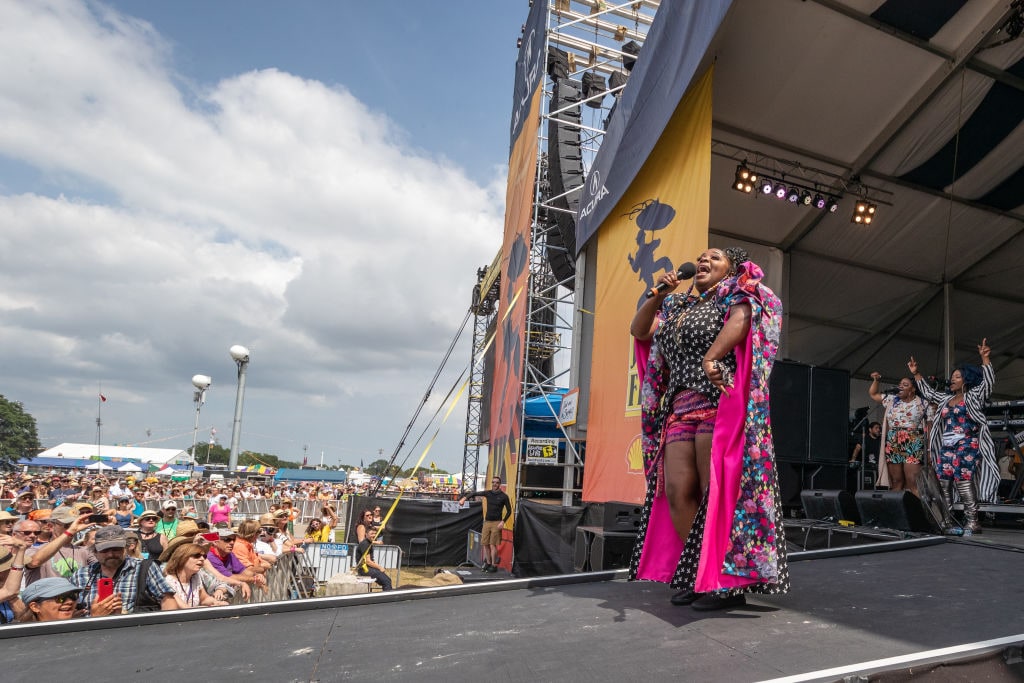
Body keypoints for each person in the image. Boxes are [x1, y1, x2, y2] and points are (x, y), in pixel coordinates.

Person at [627, 247, 788, 611]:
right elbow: (639, 330)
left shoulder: (734, 294)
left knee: (711, 488)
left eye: (714, 258)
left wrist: (712, 356)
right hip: (679, 408)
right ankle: (695, 574)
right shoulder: (676, 307)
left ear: (729, 268)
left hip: (718, 402)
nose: (704, 261)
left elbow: (745, 316)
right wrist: (658, 295)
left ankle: (724, 581)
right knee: (676, 490)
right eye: (701, 258)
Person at [909, 340, 997, 535]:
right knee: (943, 482)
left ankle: (973, 521)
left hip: (967, 443)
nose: (953, 379)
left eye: (957, 376)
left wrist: (985, 358)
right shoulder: (946, 399)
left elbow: (988, 383)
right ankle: (946, 521)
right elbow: (930, 392)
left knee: (963, 481)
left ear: (966, 379)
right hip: (947, 446)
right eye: (952, 376)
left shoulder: (973, 396)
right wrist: (916, 374)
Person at [69, 525, 177, 616]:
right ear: (95, 551)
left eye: (116, 549)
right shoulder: (81, 575)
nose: (111, 554)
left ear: (125, 549)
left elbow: (167, 600)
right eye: (105, 550)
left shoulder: (145, 568)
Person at [866, 374, 929, 497]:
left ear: (913, 389)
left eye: (905, 385)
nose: (900, 387)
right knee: (896, 482)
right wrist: (876, 380)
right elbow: (873, 394)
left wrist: (930, 448)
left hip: (913, 440)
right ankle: (896, 513)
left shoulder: (922, 403)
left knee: (913, 483)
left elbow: (931, 426)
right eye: (900, 384)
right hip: (894, 440)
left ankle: (921, 513)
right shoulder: (892, 399)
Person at [458, 477, 512, 573]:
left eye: (497, 482)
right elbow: (474, 493)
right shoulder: (488, 493)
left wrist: (503, 521)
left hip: (496, 522)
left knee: (492, 545)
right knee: (485, 543)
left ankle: (494, 565)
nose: (495, 484)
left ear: (500, 484)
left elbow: (509, 511)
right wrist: (464, 498)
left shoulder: (504, 496)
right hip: (487, 522)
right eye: (493, 482)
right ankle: (488, 562)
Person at [163, 543, 229, 609]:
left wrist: (217, 603)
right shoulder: (168, 582)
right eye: (197, 555)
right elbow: (185, 608)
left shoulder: (195, 577)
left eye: (204, 556)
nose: (202, 559)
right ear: (182, 558)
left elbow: (204, 599)